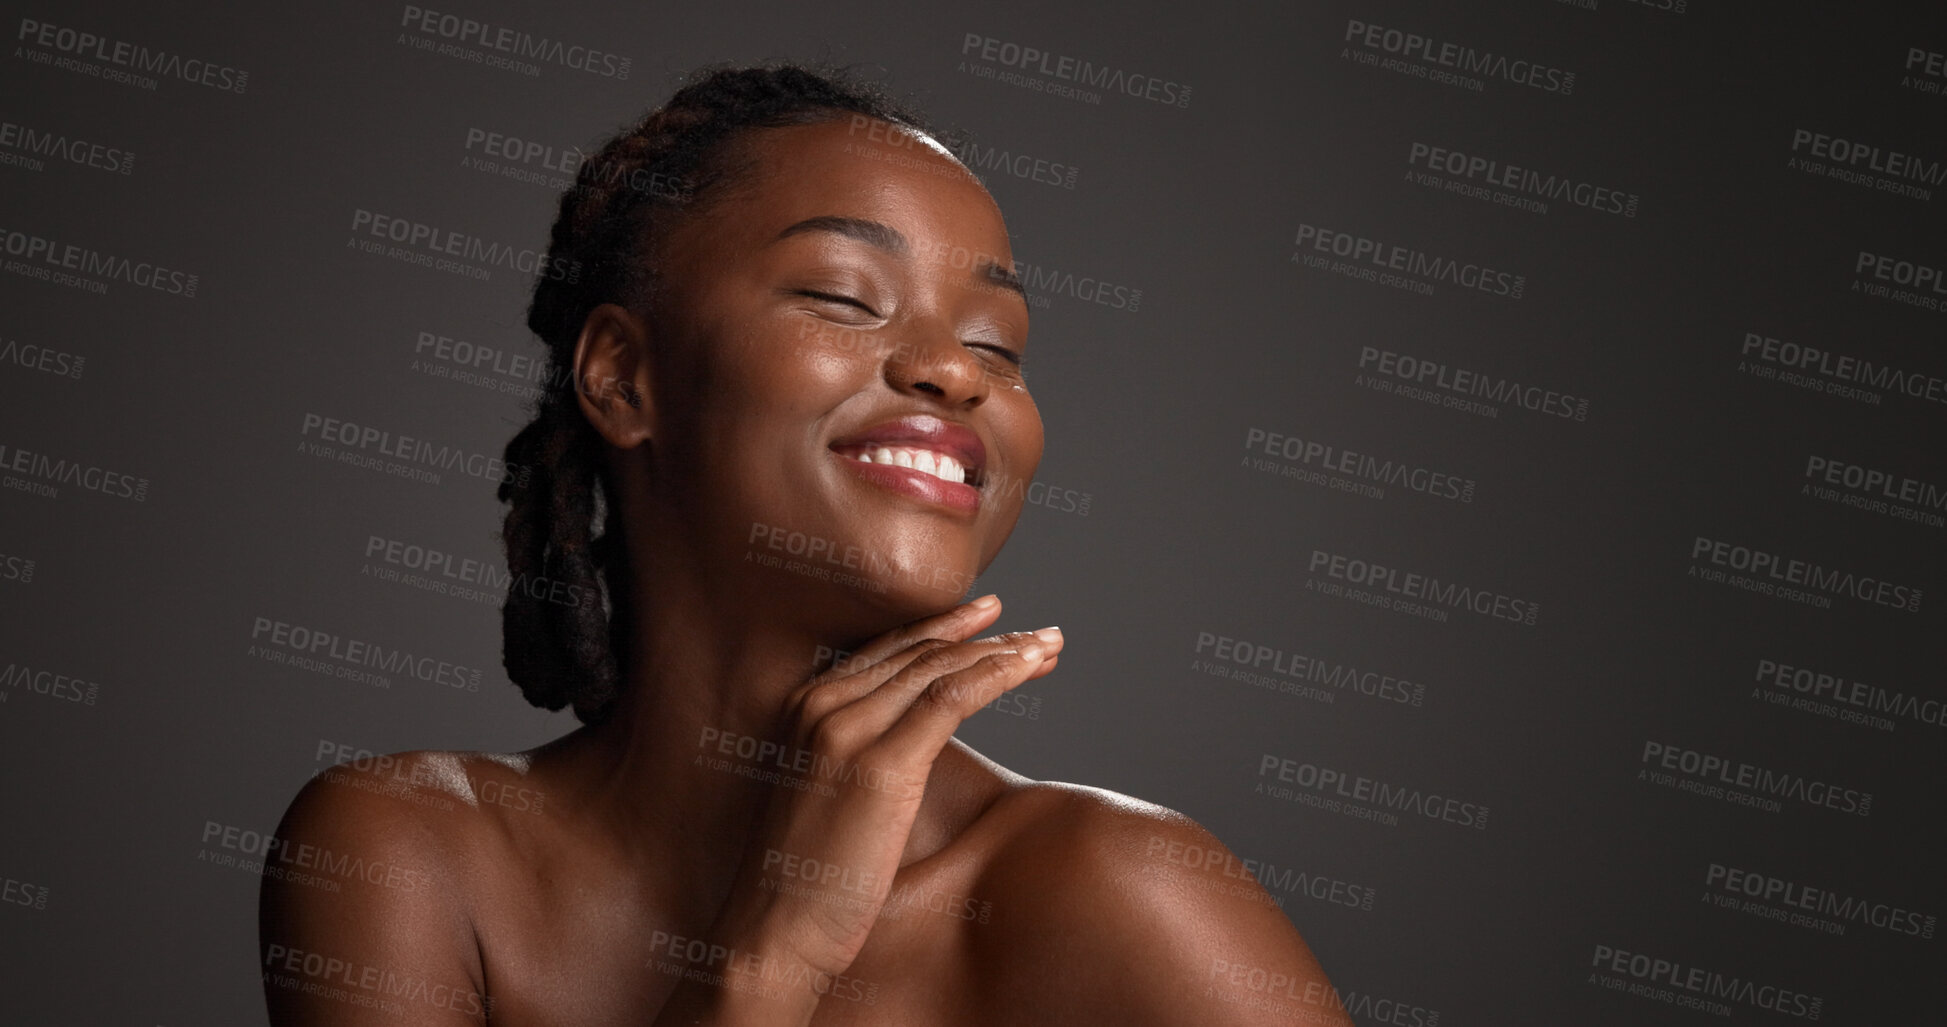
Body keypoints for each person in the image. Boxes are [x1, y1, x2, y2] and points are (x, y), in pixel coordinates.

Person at [259, 63, 1352, 1026]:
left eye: (998, 345)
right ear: (623, 377)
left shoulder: (1118, 889)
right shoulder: (407, 853)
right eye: (844, 296)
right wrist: (775, 948)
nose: (957, 372)